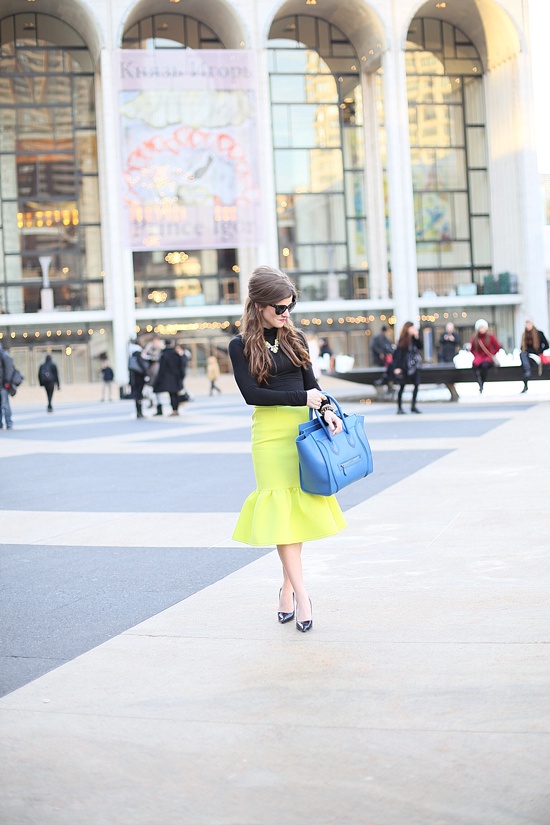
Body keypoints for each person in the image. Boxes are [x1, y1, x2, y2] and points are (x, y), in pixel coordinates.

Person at [228, 264, 346, 633]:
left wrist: (326, 410)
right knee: (281, 512)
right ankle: (303, 594)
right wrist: (303, 397)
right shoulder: (240, 345)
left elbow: (314, 385)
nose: (285, 314)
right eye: (279, 308)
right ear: (259, 305)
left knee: (294, 515)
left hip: (302, 433)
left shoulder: (296, 339)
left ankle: (285, 589)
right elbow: (253, 395)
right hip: (269, 438)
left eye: (289, 307)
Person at [392, 322, 423, 414]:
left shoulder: (414, 339)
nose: (414, 329)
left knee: (416, 385)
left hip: (415, 366)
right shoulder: (403, 340)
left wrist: (416, 337)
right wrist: (397, 367)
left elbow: (420, 347)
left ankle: (413, 406)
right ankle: (399, 408)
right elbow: (398, 355)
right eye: (412, 327)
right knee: (402, 386)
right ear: (407, 328)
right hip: (405, 367)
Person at [153, 339, 186, 416]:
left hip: (168, 378)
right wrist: (181, 375)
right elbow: (182, 365)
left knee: (172, 394)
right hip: (176, 377)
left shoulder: (164, 354)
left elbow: (162, 368)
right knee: (175, 393)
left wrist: (159, 378)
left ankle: (174, 410)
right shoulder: (176, 354)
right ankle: (175, 409)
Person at [470, 319, 501, 394]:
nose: (482, 329)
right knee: (474, 365)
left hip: (487, 357)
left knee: (484, 366)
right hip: (479, 357)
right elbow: (472, 349)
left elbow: (497, 346)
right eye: (480, 328)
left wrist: (492, 353)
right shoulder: (475, 338)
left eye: (483, 327)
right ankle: (479, 382)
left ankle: (482, 382)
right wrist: (476, 355)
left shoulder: (490, 336)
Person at [519, 318, 548, 393]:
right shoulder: (524, 335)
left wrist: (539, 351)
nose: (528, 325)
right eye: (526, 324)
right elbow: (521, 347)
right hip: (527, 356)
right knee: (523, 355)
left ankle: (527, 372)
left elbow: (546, 345)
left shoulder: (539, 334)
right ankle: (527, 372)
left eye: (529, 323)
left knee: (524, 360)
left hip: (535, 357)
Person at [128, 339, 148, 419]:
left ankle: (138, 412)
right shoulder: (138, 353)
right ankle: (139, 412)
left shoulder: (131, 353)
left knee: (137, 394)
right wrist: (146, 373)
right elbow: (142, 364)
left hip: (134, 377)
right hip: (139, 377)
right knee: (139, 394)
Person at [143, 334, 164, 411]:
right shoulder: (149, 348)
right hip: (151, 372)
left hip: (158, 372)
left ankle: (159, 406)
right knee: (149, 389)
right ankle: (151, 401)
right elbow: (144, 355)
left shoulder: (161, 349)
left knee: (157, 391)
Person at [371, 326, 395, 390]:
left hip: (385, 359)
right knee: (380, 371)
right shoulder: (377, 338)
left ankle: (387, 385)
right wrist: (380, 353)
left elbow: (388, 346)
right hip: (379, 359)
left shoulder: (384, 338)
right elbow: (374, 347)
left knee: (386, 371)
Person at [0, 342, 15, 430]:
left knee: (5, 404)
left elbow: (9, 370)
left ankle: (8, 422)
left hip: (3, 385)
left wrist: (7, 381)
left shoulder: (4, 356)